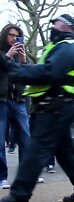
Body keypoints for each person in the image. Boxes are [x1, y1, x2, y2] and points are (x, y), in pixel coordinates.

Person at [0, 14, 74, 202]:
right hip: (57, 104)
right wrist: (20, 67)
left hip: (58, 104)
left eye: (57, 23)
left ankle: (19, 197)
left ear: (70, 27)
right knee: (64, 150)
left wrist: (14, 69)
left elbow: (49, 73)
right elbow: (43, 70)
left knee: (36, 149)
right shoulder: (57, 48)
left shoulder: (68, 48)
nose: (54, 27)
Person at [0, 24, 30, 189]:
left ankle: (25, 176)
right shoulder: (2, 53)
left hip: (18, 100)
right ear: (5, 36)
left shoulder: (20, 55)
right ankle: (1, 177)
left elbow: (28, 77)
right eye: (11, 35)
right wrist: (8, 56)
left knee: (26, 138)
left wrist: (24, 61)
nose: (13, 38)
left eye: (17, 36)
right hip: (2, 101)